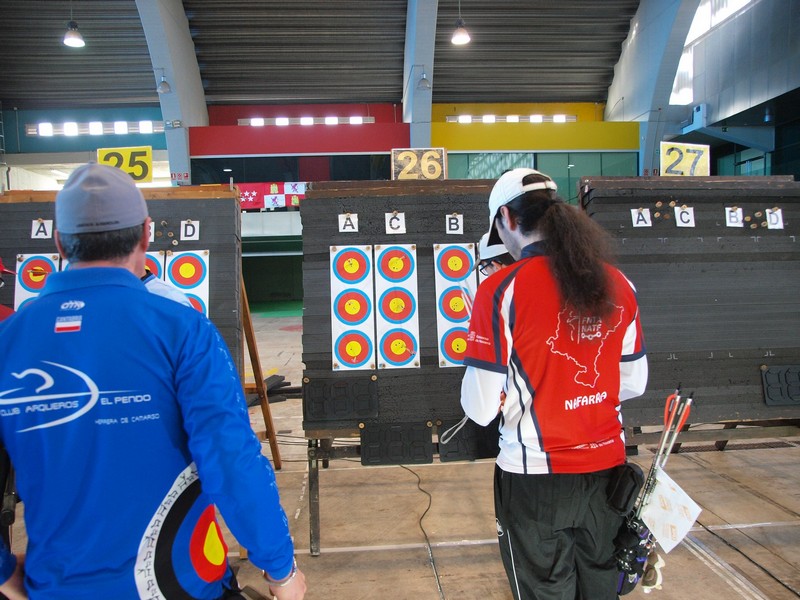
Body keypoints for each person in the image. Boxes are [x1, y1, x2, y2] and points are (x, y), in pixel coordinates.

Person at [0, 163, 306, 600]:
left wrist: (3, 572)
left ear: (59, 243)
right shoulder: (182, 331)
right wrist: (280, 568)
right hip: (177, 587)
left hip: (54, 588)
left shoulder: (9, 340)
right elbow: (230, 459)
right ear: (146, 235)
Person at [460, 168, 647, 600]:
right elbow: (634, 381)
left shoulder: (499, 290)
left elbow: (481, 408)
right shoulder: (618, 282)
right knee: (602, 590)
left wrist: (482, 348)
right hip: (608, 477)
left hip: (533, 482)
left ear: (506, 218)